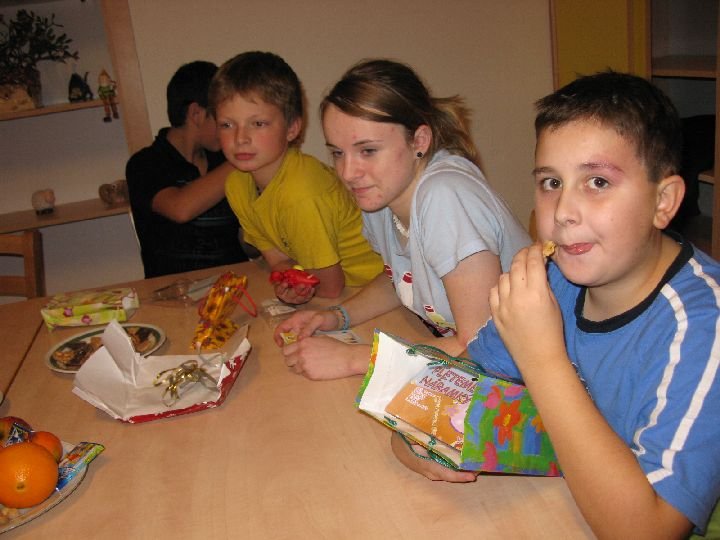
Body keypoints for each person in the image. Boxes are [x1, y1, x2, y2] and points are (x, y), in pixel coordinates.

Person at [393, 71, 720, 538]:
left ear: (663, 201)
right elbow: (451, 384)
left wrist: (541, 357)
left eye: (598, 182)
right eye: (551, 182)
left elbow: (649, 530)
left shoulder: (703, 329)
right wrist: (407, 436)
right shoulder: (554, 280)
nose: (563, 211)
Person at [274, 59, 530, 380]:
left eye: (368, 151)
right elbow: (402, 279)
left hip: (535, 374)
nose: (348, 173)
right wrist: (336, 316)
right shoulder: (382, 196)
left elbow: (479, 348)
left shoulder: (445, 196)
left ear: (419, 141)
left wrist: (355, 358)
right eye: (338, 153)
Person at [209, 51, 383, 304]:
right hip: (337, 292)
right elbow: (279, 260)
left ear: (292, 128)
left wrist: (298, 285)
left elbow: (330, 288)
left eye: (258, 124)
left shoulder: (301, 193)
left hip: (374, 289)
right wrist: (289, 282)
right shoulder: (236, 185)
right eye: (227, 125)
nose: (240, 138)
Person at [126, 60, 248, 278]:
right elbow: (179, 209)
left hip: (235, 285)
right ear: (196, 114)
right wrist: (241, 159)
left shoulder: (223, 160)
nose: (230, 131)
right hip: (172, 292)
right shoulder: (145, 163)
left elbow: (248, 245)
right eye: (225, 122)